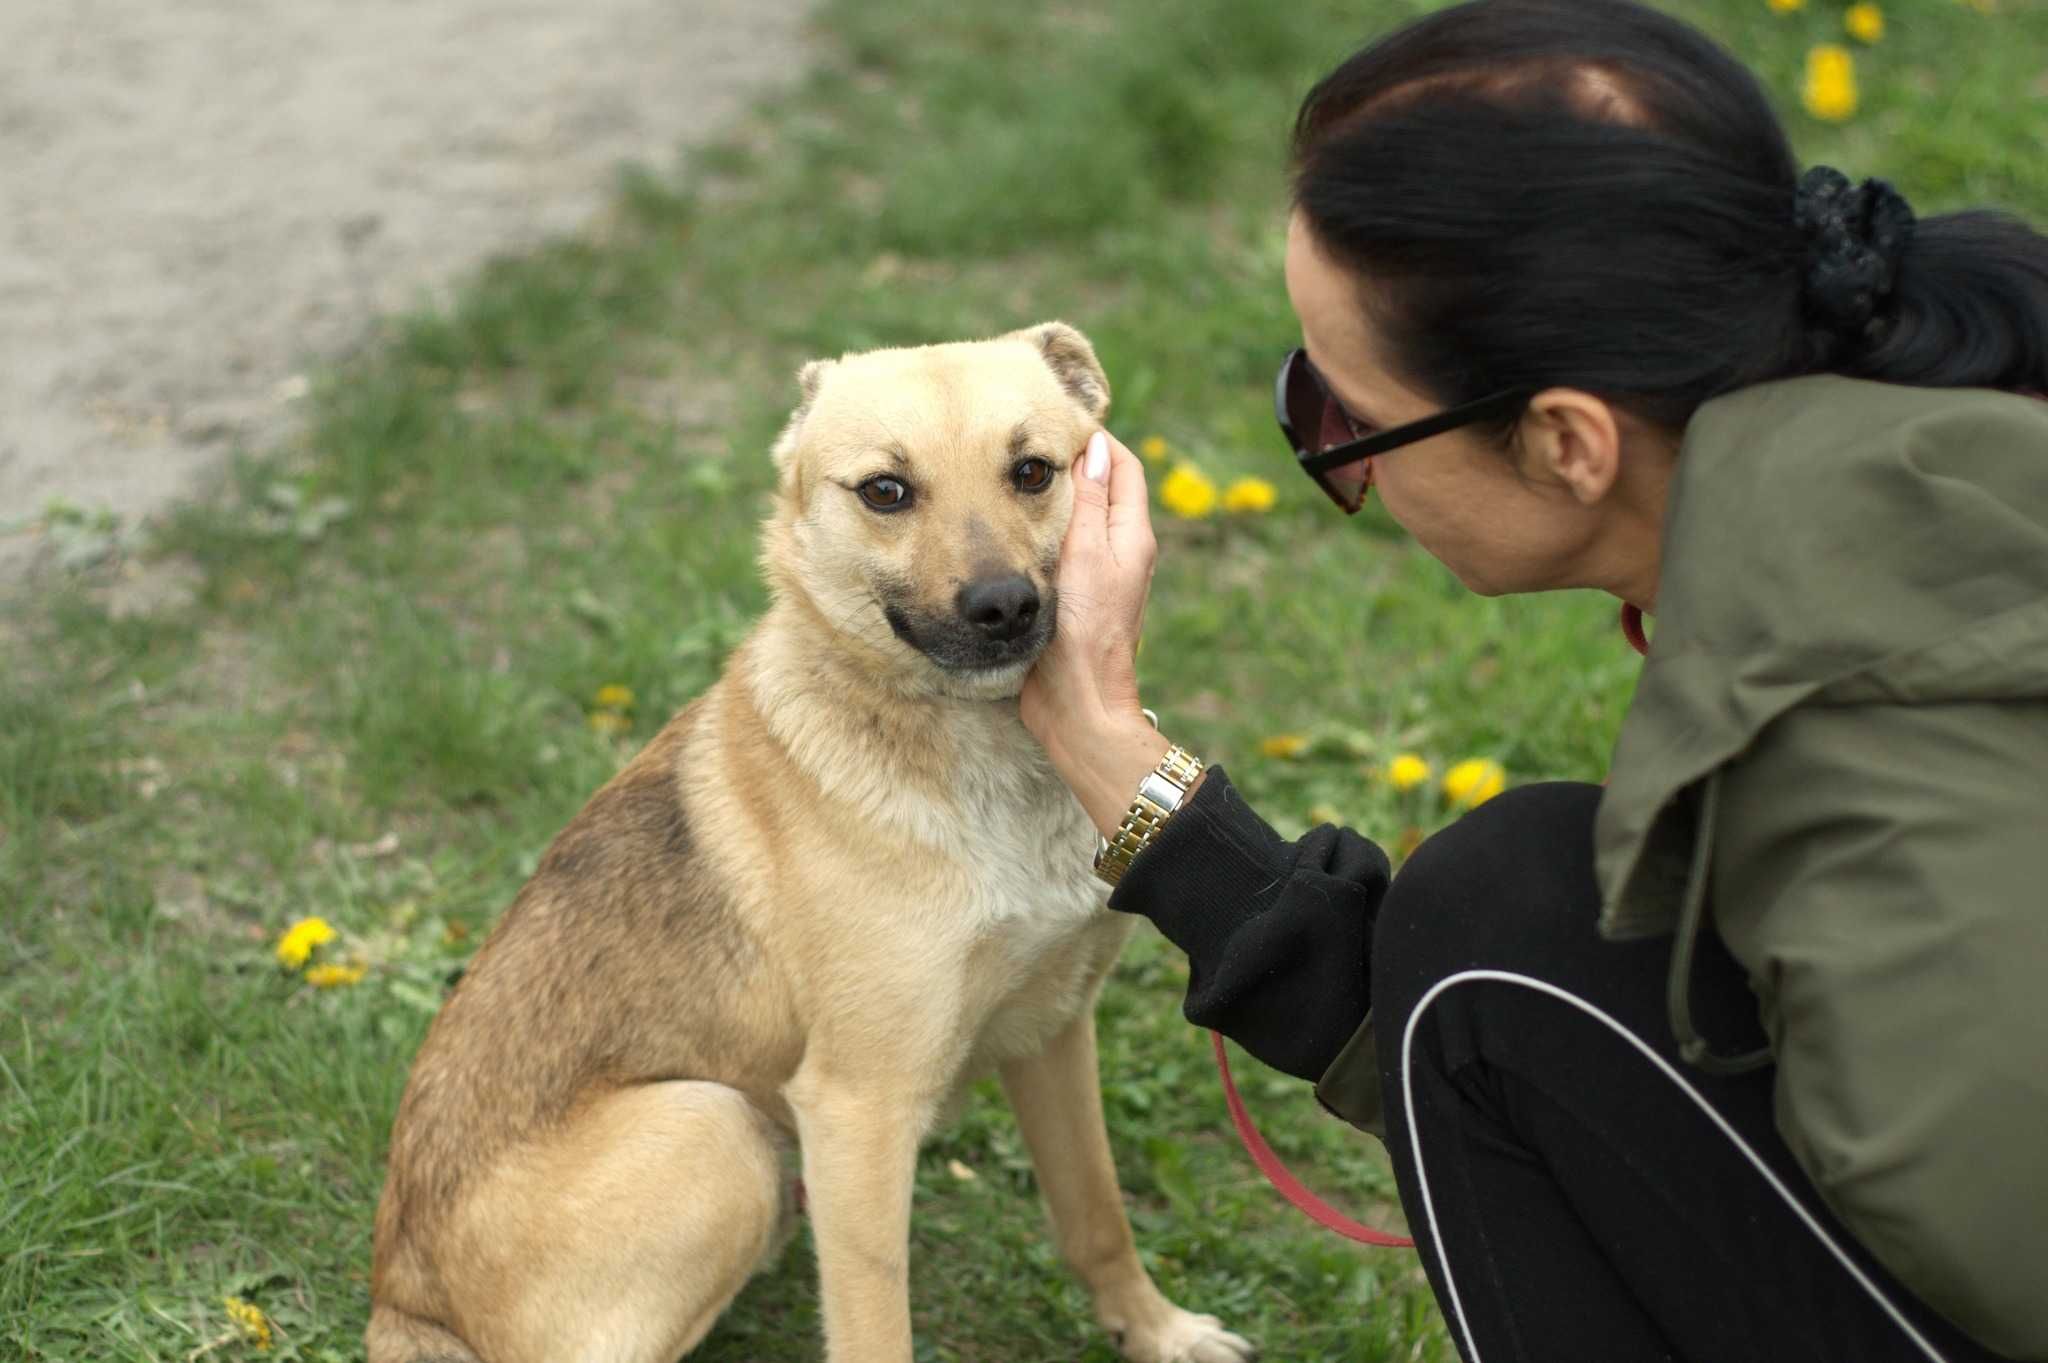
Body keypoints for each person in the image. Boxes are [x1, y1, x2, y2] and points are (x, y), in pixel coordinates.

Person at [1018, 2, 2048, 1360]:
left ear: (1567, 443)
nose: (1342, 465)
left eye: (1349, 419)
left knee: (1493, 933)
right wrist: (1110, 751)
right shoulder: (1899, 478)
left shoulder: (1858, 726)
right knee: (1522, 912)